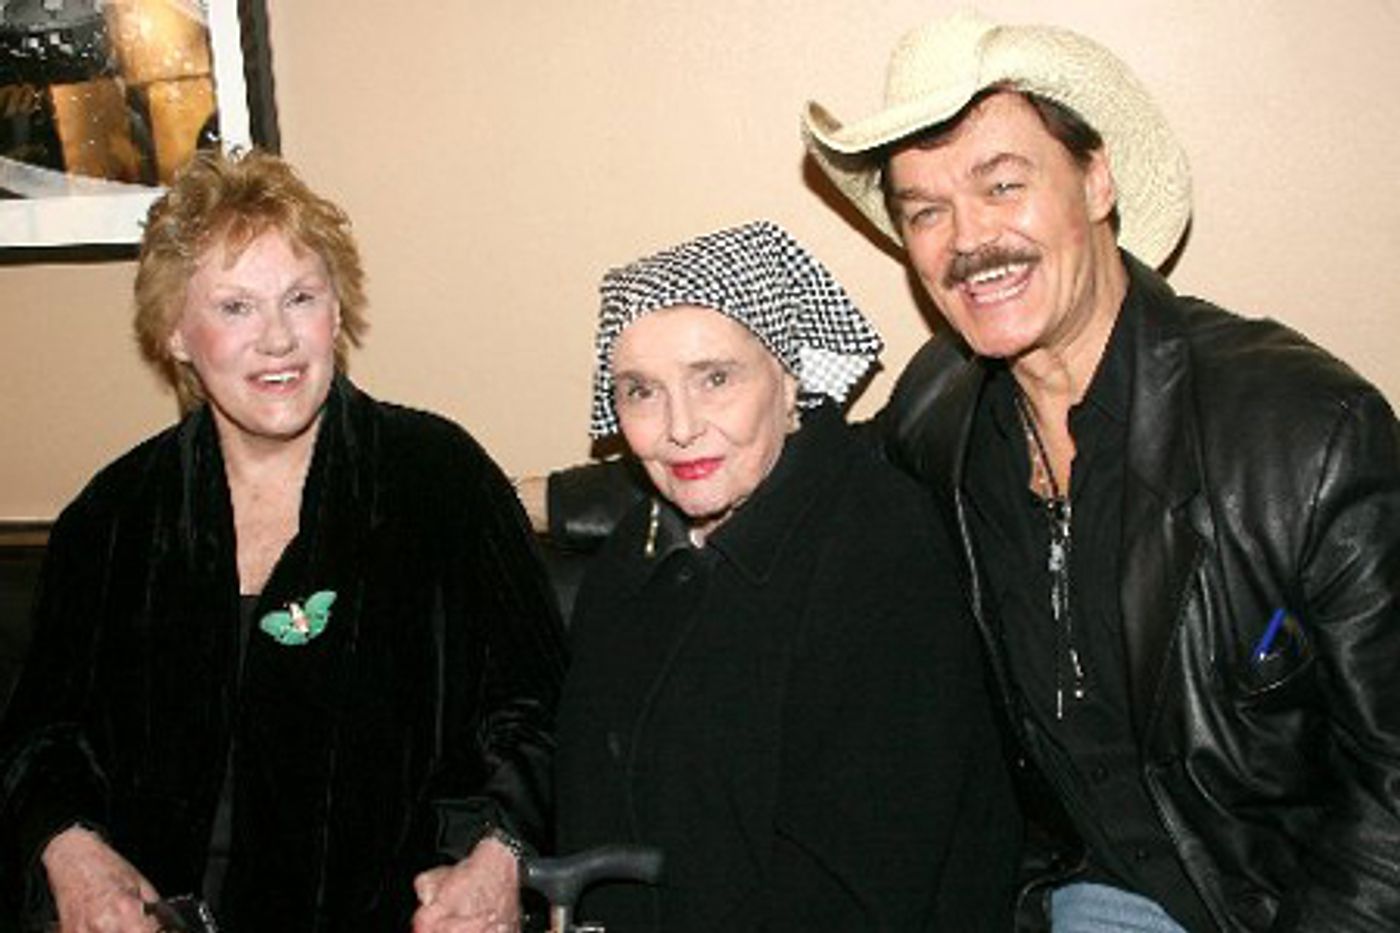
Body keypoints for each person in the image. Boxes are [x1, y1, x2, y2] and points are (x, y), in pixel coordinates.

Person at [542, 11, 1400, 931]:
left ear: (1097, 179)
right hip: (1074, 892)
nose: (969, 239)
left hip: (1277, 900)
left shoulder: (1304, 436)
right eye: (926, 210)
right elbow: (784, 459)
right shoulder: (944, 411)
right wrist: (543, 498)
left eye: (1002, 185)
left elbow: (1388, 807)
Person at [0, 149, 568, 932]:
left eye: (301, 297)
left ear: (338, 310)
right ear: (175, 333)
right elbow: (41, 737)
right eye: (235, 307)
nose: (278, 340)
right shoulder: (113, 517)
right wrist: (72, 853)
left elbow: (540, 710)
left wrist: (499, 855)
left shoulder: (440, 481)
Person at [553, 220, 1019, 932]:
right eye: (641, 391)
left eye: (715, 378)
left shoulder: (878, 549)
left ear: (790, 374)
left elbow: (860, 886)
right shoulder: (633, 553)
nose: (680, 427)